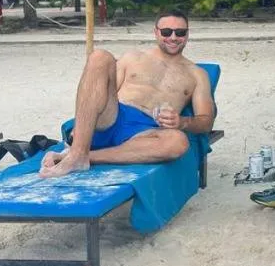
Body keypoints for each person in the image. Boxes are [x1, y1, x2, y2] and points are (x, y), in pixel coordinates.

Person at [39, 11, 215, 178]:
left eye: (180, 32)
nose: (173, 38)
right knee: (100, 56)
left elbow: (206, 122)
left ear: (187, 34)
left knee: (178, 142)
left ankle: (83, 156)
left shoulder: (197, 74)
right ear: (156, 32)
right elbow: (100, 91)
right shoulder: (133, 58)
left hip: (145, 132)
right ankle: (78, 151)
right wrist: (82, 123)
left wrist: (182, 122)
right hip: (113, 116)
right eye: (167, 32)